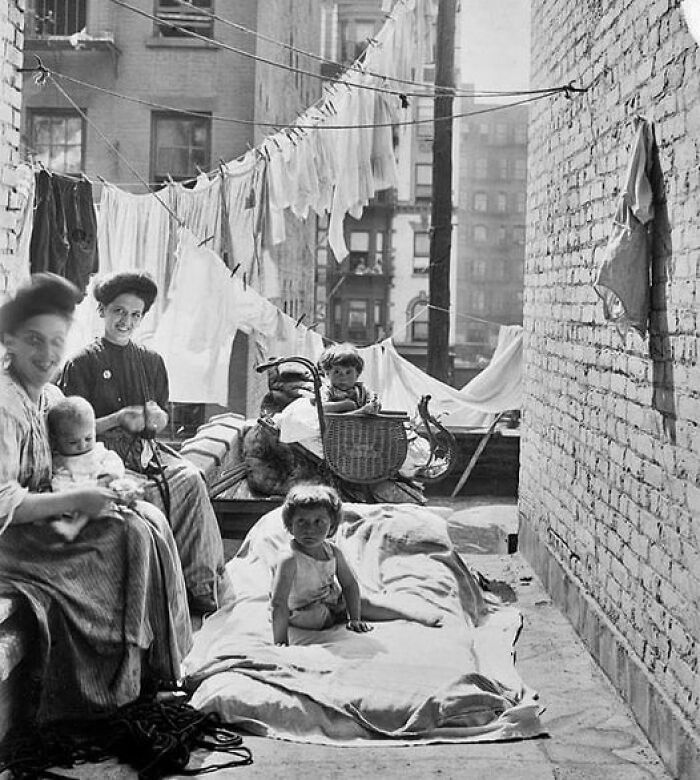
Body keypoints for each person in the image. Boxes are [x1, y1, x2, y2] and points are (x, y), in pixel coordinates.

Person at [0, 273, 191, 723]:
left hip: (44, 516)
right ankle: (110, 685)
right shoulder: (5, 406)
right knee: (127, 536)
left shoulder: (48, 395)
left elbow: (79, 449)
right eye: (34, 340)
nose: (47, 354)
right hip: (11, 539)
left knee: (147, 518)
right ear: (9, 342)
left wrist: (105, 480)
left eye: (56, 341)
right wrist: (79, 500)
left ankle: (160, 667)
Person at [58, 271, 226, 615]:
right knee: (137, 494)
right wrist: (118, 419)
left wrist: (156, 419)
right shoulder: (81, 363)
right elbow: (68, 431)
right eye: (119, 311)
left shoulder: (152, 361)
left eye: (135, 315)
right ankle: (155, 593)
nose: (126, 321)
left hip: (147, 452)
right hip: (99, 457)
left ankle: (199, 585)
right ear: (102, 310)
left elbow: (161, 418)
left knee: (191, 479)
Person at [270, 483, 442, 646]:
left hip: (330, 599)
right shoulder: (289, 558)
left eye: (318, 522)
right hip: (302, 609)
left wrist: (355, 618)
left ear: (331, 527)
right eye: (301, 521)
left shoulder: (332, 551)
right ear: (290, 525)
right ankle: (337, 616)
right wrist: (281, 641)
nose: (309, 529)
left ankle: (411, 615)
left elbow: (349, 584)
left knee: (362, 602)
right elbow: (279, 602)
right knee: (317, 617)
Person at [47, 395, 131, 541]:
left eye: (88, 438)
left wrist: (107, 477)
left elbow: (114, 462)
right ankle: (75, 525)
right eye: (73, 442)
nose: (82, 446)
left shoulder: (98, 451)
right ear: (56, 440)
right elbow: (58, 479)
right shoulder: (59, 460)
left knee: (124, 488)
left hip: (102, 487)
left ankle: (76, 525)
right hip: (77, 493)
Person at [317, 342, 381, 414]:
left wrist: (375, 404)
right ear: (327, 373)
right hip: (336, 420)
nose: (343, 377)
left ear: (357, 374)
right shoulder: (327, 390)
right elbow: (320, 407)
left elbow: (373, 399)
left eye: (348, 372)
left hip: (360, 421)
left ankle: (360, 412)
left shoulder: (362, 389)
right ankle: (360, 412)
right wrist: (344, 405)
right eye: (337, 372)